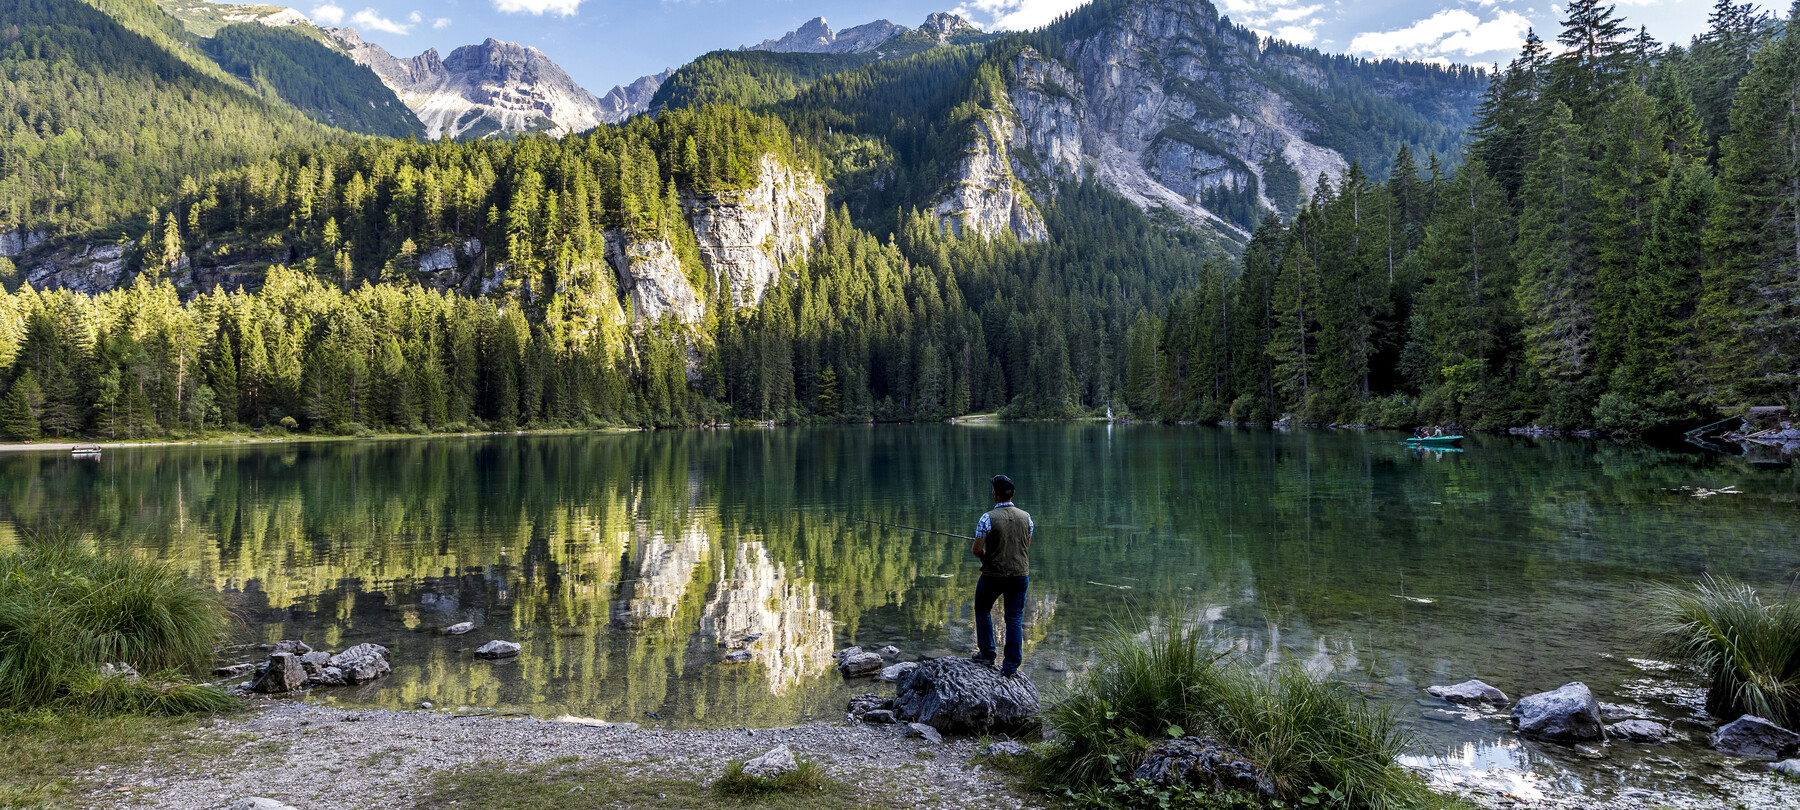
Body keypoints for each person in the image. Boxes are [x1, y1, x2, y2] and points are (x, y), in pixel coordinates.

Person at [970, 474, 1032, 677]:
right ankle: (1011, 665)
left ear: (995, 494)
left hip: (993, 575)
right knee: (1014, 618)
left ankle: (988, 654)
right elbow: (1024, 546)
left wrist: (987, 559)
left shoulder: (987, 518)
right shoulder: (1027, 517)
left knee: (982, 609)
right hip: (1020, 574)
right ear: (1012, 494)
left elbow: (977, 550)